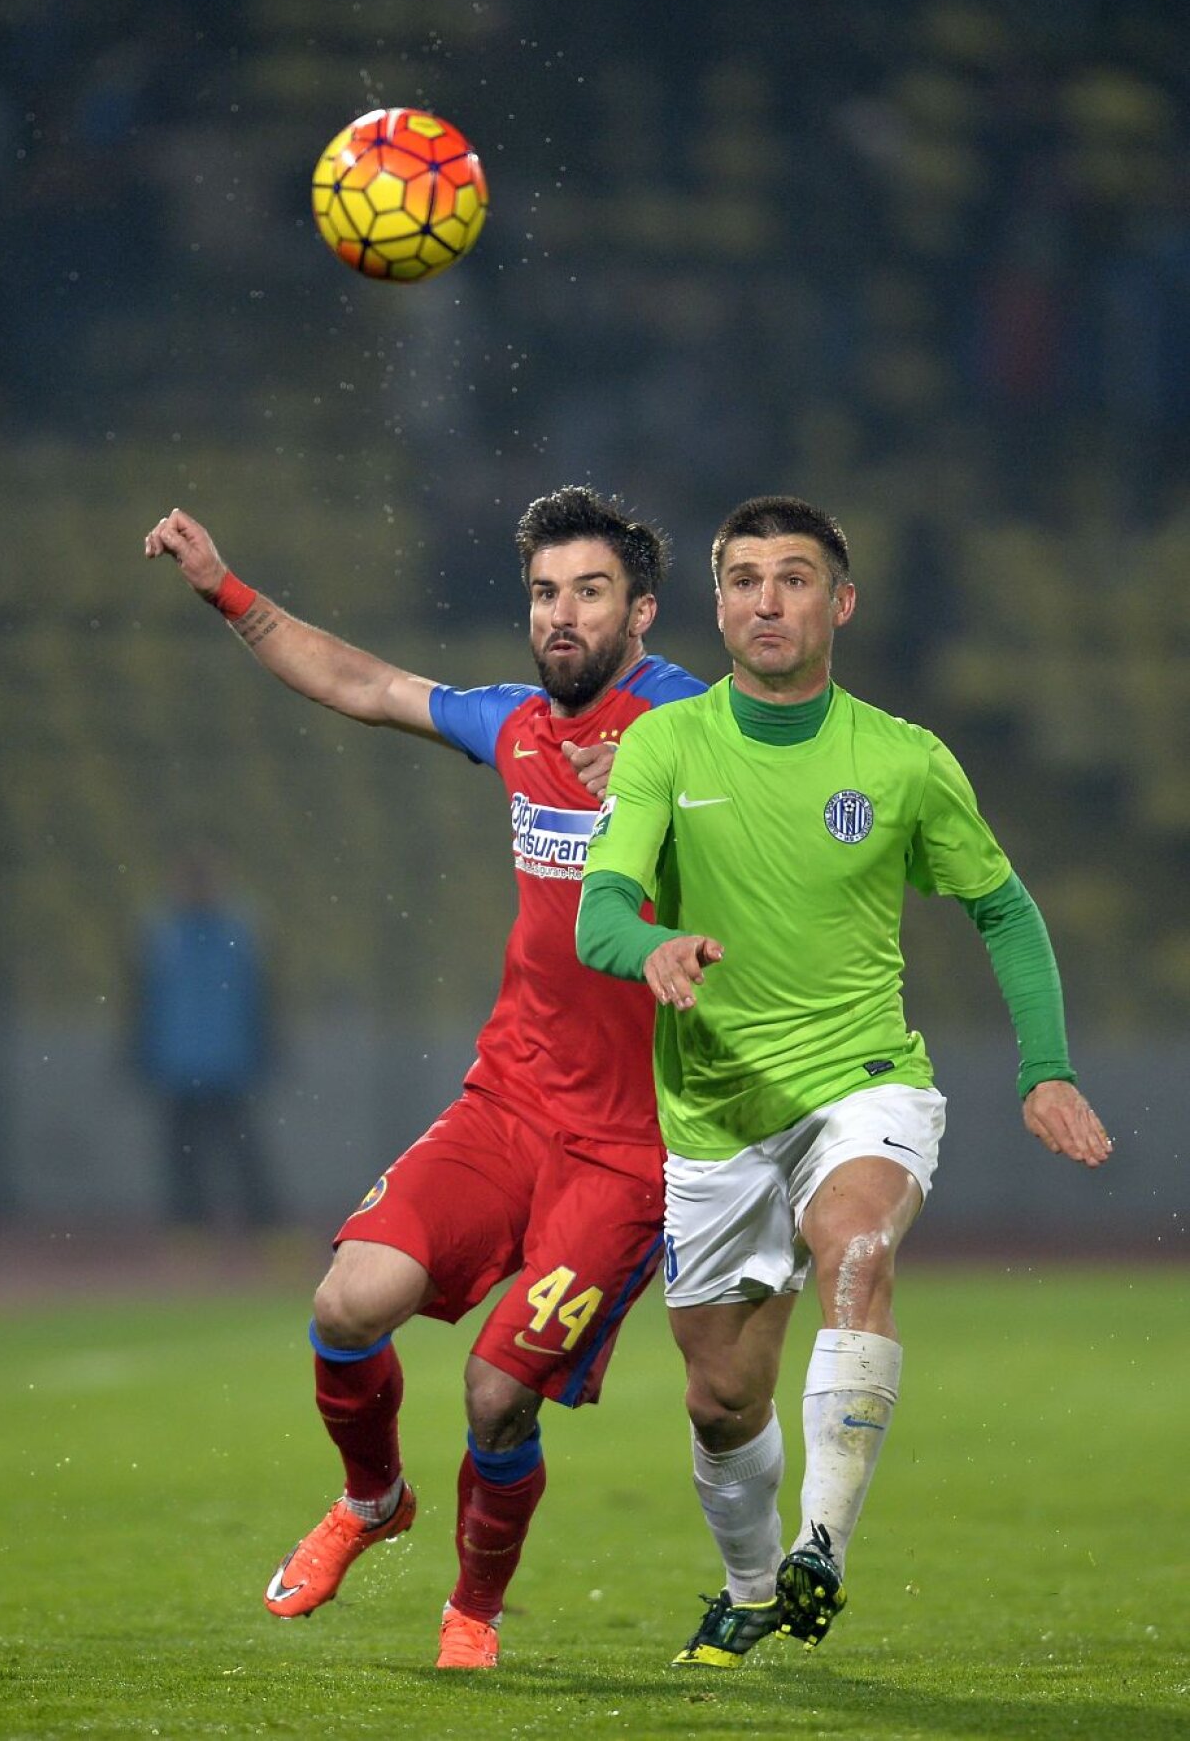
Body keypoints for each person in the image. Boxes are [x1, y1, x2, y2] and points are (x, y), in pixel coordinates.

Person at [142, 487, 705, 1670]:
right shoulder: (513, 723)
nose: (561, 615)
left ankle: (475, 1611)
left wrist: (667, 787)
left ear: (642, 610)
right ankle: (373, 1498)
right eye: (545, 593)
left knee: (499, 1395)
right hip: (507, 1103)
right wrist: (227, 593)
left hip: (629, 1146)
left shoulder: (693, 726)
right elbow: (365, 684)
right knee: (346, 1307)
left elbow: (775, 803)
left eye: (589, 592)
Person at [576, 494, 1112, 1668]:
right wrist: (649, 945)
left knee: (856, 1250)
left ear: (841, 603)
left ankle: (821, 1544)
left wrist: (1046, 1068)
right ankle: (751, 1579)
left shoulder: (905, 759)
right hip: (715, 1112)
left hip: (864, 1080)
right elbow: (601, 906)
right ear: (718, 603)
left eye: (796, 577)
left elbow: (1005, 909)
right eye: (746, 578)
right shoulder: (666, 745)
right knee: (721, 1403)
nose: (769, 599)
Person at [131, 848, 276, 1229]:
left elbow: (259, 998)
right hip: (180, 1063)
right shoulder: (163, 935)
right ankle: (192, 1226)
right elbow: (145, 1001)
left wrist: (264, 1049)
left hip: (227, 1063)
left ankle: (262, 1223)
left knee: (240, 1151)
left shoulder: (237, 933)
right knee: (185, 1154)